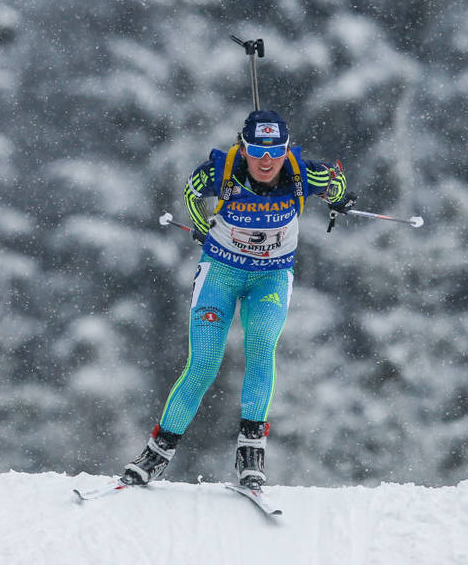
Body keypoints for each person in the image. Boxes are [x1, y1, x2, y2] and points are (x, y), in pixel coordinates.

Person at [122, 110, 356, 489]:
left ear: (286, 150)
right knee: (203, 365)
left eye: (275, 151)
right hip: (221, 273)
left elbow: (337, 182)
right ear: (243, 148)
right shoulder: (221, 172)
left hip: (271, 277)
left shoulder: (303, 174)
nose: (266, 161)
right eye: (257, 151)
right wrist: (202, 227)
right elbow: (191, 192)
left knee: (261, 347)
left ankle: (251, 453)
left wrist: (338, 199)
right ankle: (156, 453)